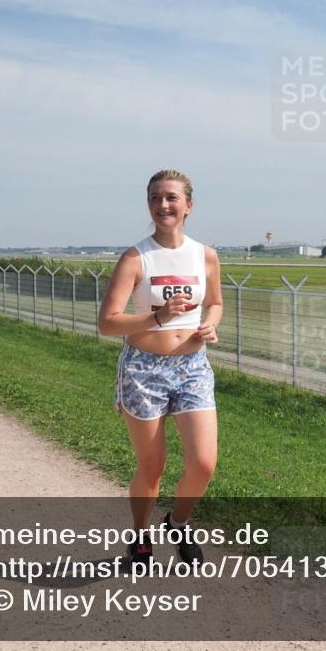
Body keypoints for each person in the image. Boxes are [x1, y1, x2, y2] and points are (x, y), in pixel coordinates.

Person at [98, 170, 223, 567]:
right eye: (155, 198)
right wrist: (157, 318)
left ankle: (178, 522)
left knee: (203, 463)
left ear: (189, 205)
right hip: (143, 370)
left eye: (171, 197)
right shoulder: (136, 257)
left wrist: (211, 324)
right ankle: (139, 538)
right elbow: (108, 322)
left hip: (192, 366)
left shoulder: (205, 255)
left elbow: (215, 302)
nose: (162, 205)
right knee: (152, 467)